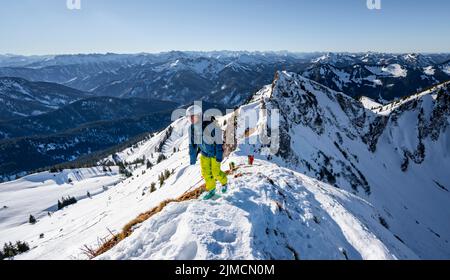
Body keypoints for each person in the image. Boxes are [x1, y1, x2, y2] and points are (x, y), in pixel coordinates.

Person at [187, 105, 228, 200]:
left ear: (199, 115)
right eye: (190, 117)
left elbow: (218, 141)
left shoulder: (210, 126)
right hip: (204, 154)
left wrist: (219, 155)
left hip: (214, 154)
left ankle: (224, 182)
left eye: (193, 116)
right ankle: (211, 190)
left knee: (215, 172)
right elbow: (192, 145)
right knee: (206, 173)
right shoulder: (192, 129)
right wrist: (192, 159)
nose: (192, 119)